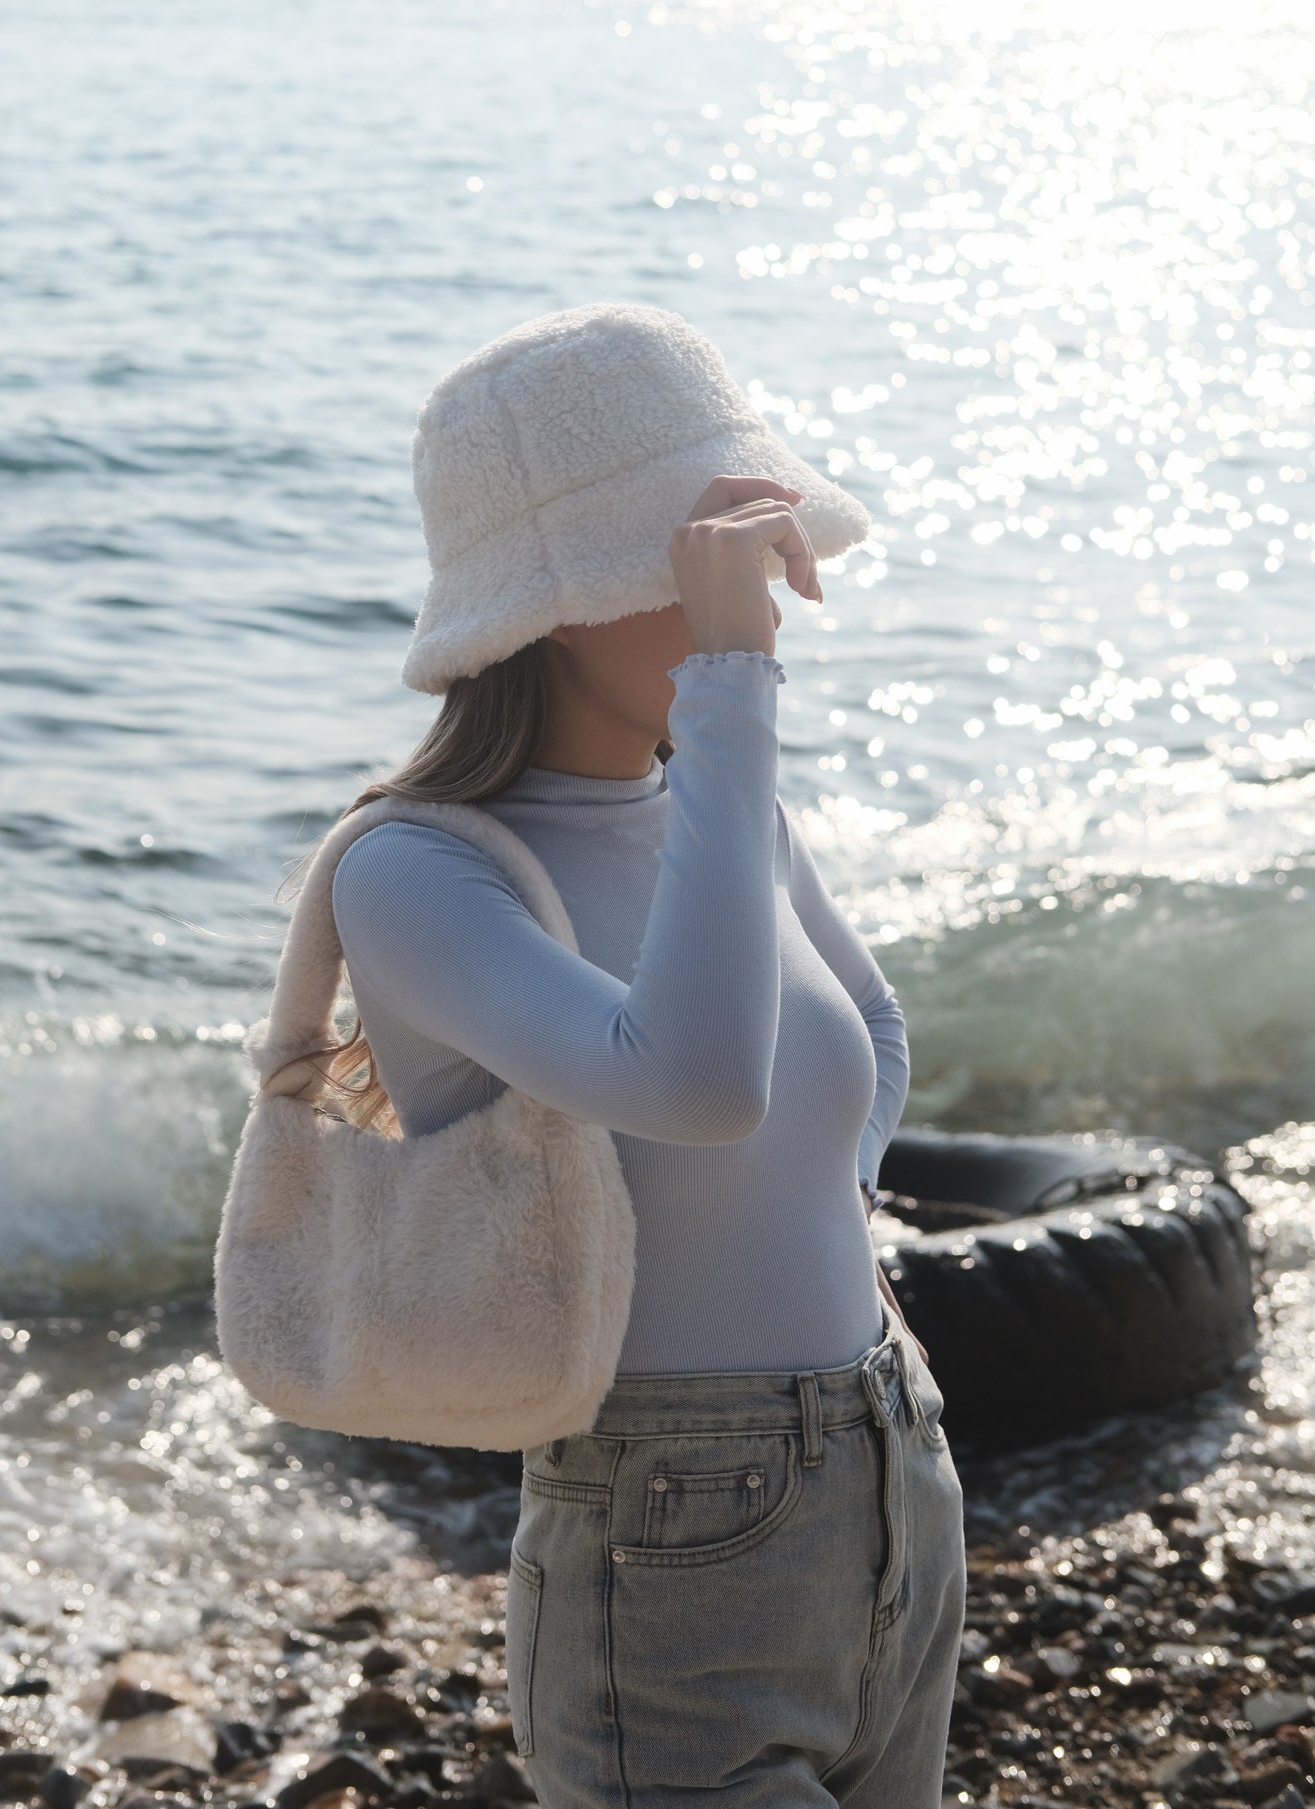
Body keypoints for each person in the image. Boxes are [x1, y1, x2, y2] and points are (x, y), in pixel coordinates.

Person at [326, 303, 966, 1807]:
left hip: (887, 1455)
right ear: (557, 597)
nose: (756, 591)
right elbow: (691, 1084)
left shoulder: (716, 803)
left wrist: (828, 1222)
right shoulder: (415, 870)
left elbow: (867, 1031)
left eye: (753, 546)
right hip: (671, 1519)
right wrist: (732, 690)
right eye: (707, 551)